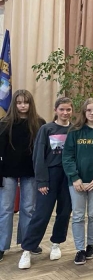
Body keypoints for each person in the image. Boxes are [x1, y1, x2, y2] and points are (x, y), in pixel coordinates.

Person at [19, 97, 74, 269]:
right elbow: (38, 156)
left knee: (64, 212)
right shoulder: (46, 129)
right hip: (50, 176)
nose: (65, 113)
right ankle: (27, 249)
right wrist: (42, 180)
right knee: (41, 214)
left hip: (69, 176)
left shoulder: (75, 130)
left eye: (68, 109)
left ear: (72, 111)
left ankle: (56, 243)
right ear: (56, 110)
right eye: (62, 109)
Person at [62, 98, 93, 265]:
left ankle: (90, 245)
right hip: (77, 182)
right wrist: (75, 178)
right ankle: (80, 249)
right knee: (78, 215)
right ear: (83, 112)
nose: (92, 113)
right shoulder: (75, 131)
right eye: (89, 110)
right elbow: (67, 157)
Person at [0, 90, 45, 262]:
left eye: (26, 102)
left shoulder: (39, 123)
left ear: (30, 104)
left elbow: (42, 151)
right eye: (19, 103)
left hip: (31, 172)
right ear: (14, 104)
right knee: (5, 209)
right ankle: (2, 245)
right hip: (7, 172)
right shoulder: (4, 123)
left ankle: (28, 243)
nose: (22, 106)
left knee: (28, 208)